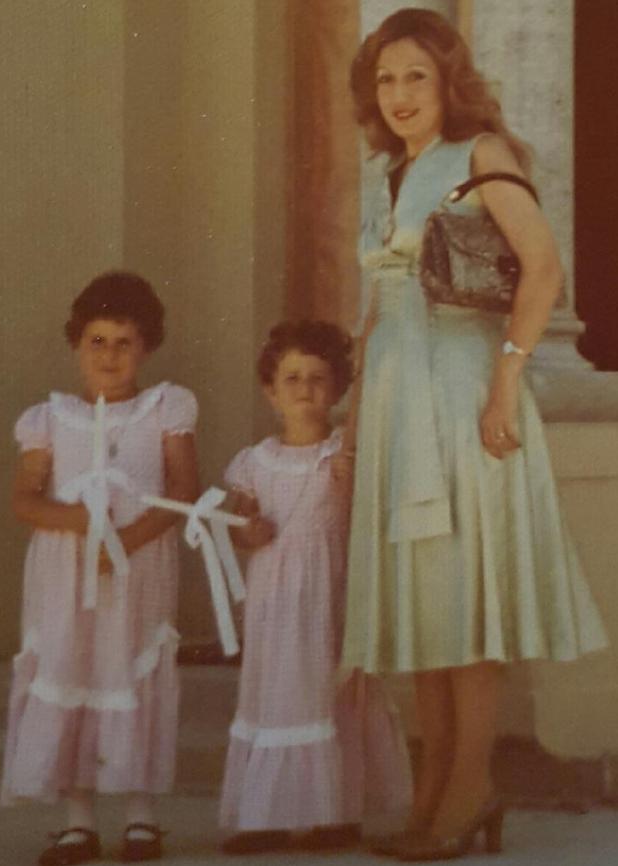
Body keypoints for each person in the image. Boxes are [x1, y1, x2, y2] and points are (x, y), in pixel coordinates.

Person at [339, 8, 608, 860]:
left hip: (462, 404)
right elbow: (379, 308)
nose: (400, 93)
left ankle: (472, 790)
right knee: (421, 609)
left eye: (416, 75)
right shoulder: (391, 172)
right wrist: (354, 421)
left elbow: (544, 267)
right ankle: (431, 796)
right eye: (386, 78)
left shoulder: (481, 154)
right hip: (393, 407)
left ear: (448, 80)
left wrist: (506, 382)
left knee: (463, 602)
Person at [0, 272, 200, 865]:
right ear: (76, 345)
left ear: (145, 347)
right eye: (97, 341)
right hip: (66, 574)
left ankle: (141, 817)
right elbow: (25, 500)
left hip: (137, 568)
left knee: (131, 673)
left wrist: (123, 543)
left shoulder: (164, 408)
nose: (110, 355)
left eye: (124, 342)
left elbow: (183, 488)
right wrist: (80, 525)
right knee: (75, 671)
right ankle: (77, 821)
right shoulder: (50, 418)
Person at [219, 320, 409, 855]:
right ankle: (268, 816)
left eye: (319, 379)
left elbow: (363, 529)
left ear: (340, 389)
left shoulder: (341, 458)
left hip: (329, 594)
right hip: (274, 601)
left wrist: (354, 490)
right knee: (279, 695)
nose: (305, 389)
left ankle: (337, 812)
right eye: (292, 378)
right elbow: (241, 522)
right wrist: (247, 529)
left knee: (333, 696)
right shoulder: (255, 462)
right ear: (270, 390)